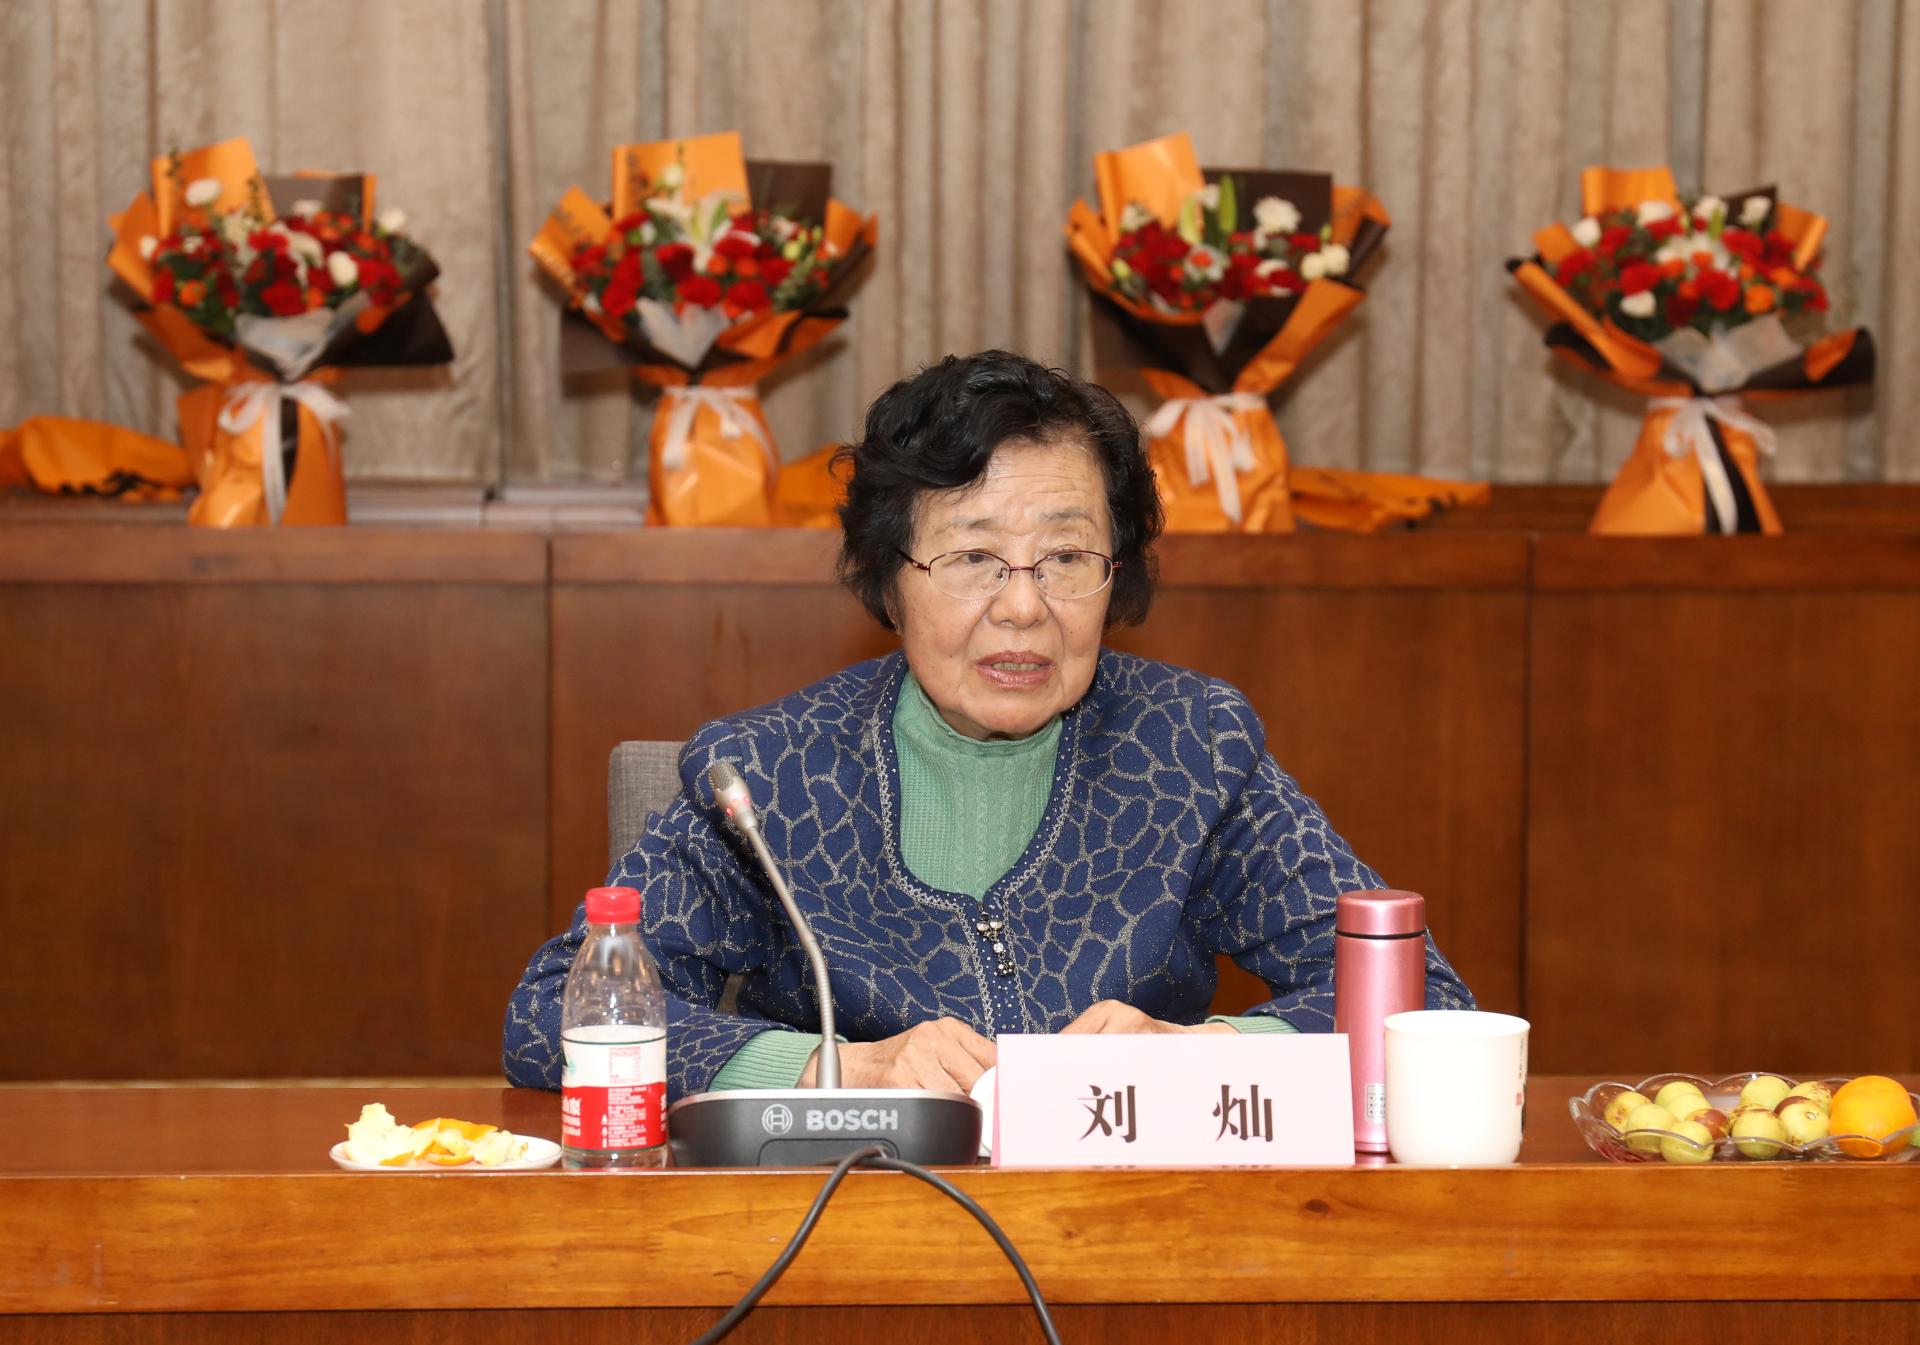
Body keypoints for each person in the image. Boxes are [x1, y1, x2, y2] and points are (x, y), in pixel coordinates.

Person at [504, 350, 1474, 1102]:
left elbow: (1420, 996)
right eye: (973, 558)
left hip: (1134, 1231)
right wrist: (837, 1068)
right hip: (848, 1225)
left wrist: (1205, 1050)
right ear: (890, 577)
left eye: (1066, 558)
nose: (1023, 606)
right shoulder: (766, 772)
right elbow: (552, 1016)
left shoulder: (1192, 746)